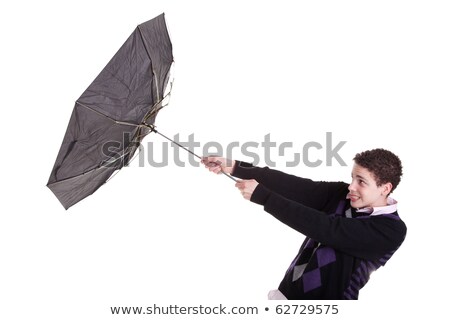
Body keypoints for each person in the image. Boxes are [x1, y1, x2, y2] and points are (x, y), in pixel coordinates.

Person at [201, 148, 407, 300]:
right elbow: (294, 186)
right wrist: (235, 166)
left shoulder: (391, 229)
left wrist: (265, 197)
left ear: (385, 188)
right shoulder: (341, 194)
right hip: (285, 297)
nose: (351, 186)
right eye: (352, 177)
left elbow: (327, 229)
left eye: (361, 181)